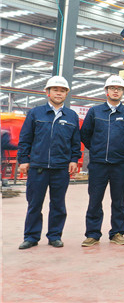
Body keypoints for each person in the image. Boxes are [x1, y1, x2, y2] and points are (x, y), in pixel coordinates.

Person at [17, 76, 81, 249]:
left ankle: (54, 236)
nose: (59, 93)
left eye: (62, 91)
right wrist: (23, 160)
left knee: (58, 204)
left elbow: (75, 142)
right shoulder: (35, 113)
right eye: (55, 90)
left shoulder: (71, 116)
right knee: (34, 204)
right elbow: (25, 138)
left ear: (66, 94)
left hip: (61, 167)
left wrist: (74, 159)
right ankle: (31, 237)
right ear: (47, 92)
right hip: (38, 167)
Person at [80, 75, 124, 247]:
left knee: (118, 201)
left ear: (123, 91)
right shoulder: (95, 112)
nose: (115, 91)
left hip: (120, 164)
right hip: (98, 164)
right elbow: (85, 134)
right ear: (106, 91)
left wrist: (122, 150)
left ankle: (117, 233)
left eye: (118, 88)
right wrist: (97, 149)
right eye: (112, 88)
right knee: (94, 200)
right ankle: (92, 234)